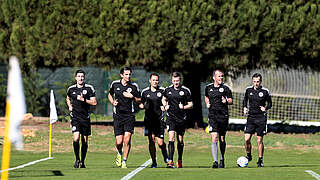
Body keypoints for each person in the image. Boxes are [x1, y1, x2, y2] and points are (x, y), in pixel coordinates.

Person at [108, 67, 141, 168]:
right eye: (126, 74)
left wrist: (132, 96)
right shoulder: (115, 84)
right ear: (121, 75)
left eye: (130, 74)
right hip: (118, 115)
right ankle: (119, 152)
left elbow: (139, 100)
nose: (128, 76)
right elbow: (110, 94)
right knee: (119, 142)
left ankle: (124, 161)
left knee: (127, 139)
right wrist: (113, 102)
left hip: (129, 116)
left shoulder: (134, 86)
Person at [66, 69, 97, 168]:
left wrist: (84, 100)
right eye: (79, 76)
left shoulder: (89, 88)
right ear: (75, 78)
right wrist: (69, 106)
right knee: (76, 138)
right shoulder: (71, 89)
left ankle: (83, 161)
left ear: (84, 77)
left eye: (82, 76)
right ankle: (77, 159)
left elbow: (94, 102)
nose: (81, 78)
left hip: (85, 118)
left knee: (84, 141)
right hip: (75, 117)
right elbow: (68, 98)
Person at [162, 72, 193, 168]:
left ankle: (179, 159)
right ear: (172, 80)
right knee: (171, 137)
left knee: (180, 140)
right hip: (170, 117)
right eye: (174, 81)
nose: (176, 83)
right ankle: (170, 161)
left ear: (180, 80)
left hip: (181, 119)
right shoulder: (167, 90)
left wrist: (183, 107)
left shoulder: (185, 91)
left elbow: (191, 104)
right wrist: (165, 105)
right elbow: (163, 99)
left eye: (177, 81)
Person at [139, 73, 169, 168]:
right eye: (153, 80)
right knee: (151, 141)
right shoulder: (145, 92)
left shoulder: (163, 91)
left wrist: (165, 107)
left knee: (160, 143)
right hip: (149, 120)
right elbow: (140, 104)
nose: (155, 82)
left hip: (159, 120)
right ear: (150, 81)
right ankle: (154, 162)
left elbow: (167, 102)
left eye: (157, 80)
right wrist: (144, 106)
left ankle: (165, 154)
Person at [204, 70, 233, 168]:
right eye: (219, 76)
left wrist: (226, 101)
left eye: (222, 76)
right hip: (212, 117)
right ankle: (215, 161)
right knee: (214, 137)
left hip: (223, 117)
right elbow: (206, 97)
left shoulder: (225, 88)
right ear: (214, 78)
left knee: (222, 139)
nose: (221, 78)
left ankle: (222, 158)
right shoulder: (208, 87)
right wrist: (207, 103)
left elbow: (231, 100)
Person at [243, 73, 272, 167]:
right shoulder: (248, 90)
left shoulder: (265, 91)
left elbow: (270, 103)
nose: (256, 83)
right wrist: (244, 107)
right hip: (251, 117)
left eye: (258, 82)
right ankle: (249, 155)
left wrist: (266, 108)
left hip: (261, 118)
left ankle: (260, 160)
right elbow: (245, 100)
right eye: (254, 81)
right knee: (246, 139)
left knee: (259, 140)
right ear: (252, 81)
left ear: (261, 81)